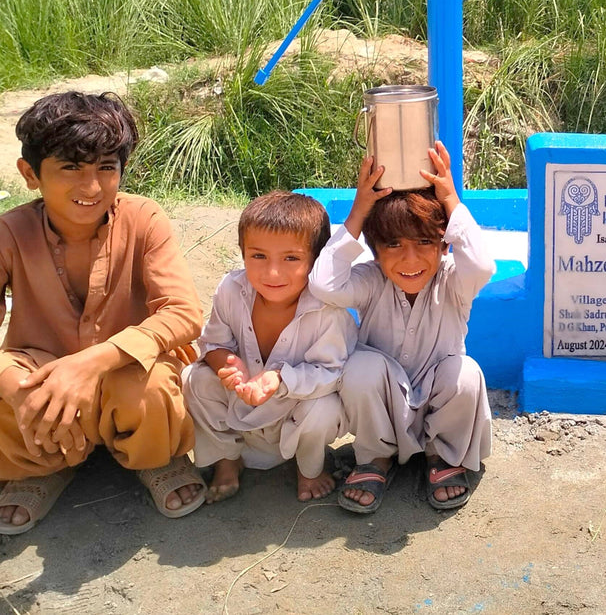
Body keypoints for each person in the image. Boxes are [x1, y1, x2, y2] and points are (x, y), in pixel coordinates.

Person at [0, 92, 206, 534]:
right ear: (30, 174)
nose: (91, 187)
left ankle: (154, 457)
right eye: (70, 168)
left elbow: (184, 313)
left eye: (105, 168)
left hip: (124, 371)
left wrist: (91, 363)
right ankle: (44, 465)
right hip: (40, 367)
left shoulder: (145, 218)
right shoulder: (9, 232)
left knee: (150, 389)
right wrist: (19, 391)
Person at [309, 141, 495, 513]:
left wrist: (451, 199)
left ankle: (442, 457)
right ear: (375, 250)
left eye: (425, 242)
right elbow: (323, 284)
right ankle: (376, 459)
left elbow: (483, 265)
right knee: (360, 368)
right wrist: (360, 210)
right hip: (383, 407)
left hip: (438, 403)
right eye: (393, 244)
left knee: (466, 373)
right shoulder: (370, 280)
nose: (410, 260)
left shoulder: (455, 281)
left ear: (444, 245)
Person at [183, 191, 357, 503]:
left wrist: (279, 379)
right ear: (242, 252)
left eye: (291, 258)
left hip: (294, 413)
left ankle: (310, 468)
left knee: (325, 407)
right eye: (258, 256)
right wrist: (226, 363)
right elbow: (212, 340)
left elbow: (332, 372)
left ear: (316, 260)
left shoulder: (328, 311)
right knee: (193, 380)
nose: (272, 272)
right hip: (243, 405)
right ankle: (227, 460)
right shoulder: (231, 290)